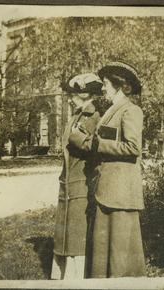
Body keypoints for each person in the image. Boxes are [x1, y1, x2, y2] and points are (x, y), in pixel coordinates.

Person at [69, 61, 146, 278]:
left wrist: (94, 144)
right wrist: (86, 140)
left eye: (105, 84)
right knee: (105, 253)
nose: (102, 88)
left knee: (119, 255)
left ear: (120, 86)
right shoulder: (112, 110)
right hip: (108, 191)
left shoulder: (131, 110)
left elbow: (133, 148)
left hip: (120, 194)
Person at [51, 73, 103, 279]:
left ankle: (74, 279)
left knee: (76, 234)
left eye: (73, 94)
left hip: (81, 182)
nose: (70, 98)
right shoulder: (75, 117)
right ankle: (62, 276)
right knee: (65, 232)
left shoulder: (95, 118)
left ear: (85, 94)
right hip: (68, 182)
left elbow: (94, 151)